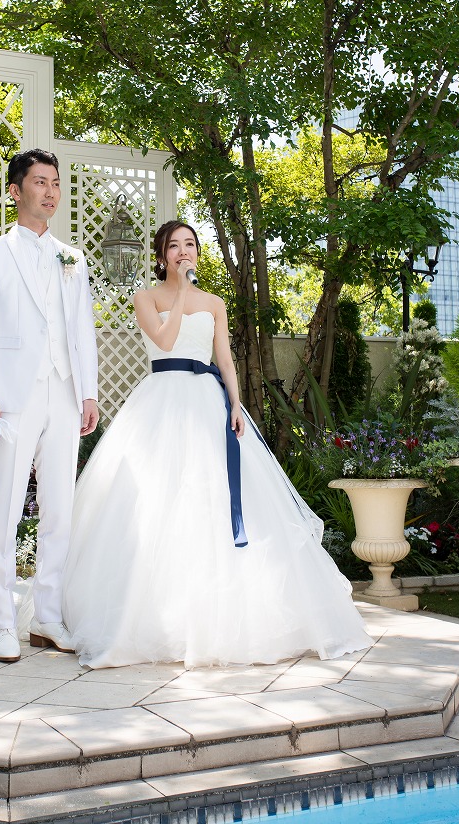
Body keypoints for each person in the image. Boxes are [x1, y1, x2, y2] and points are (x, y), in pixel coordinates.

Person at [60, 220, 372, 668]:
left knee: (212, 498)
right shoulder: (146, 297)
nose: (183, 252)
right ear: (162, 255)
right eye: (174, 246)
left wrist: (236, 404)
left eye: (189, 244)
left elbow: (224, 358)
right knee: (158, 499)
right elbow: (165, 339)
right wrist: (182, 294)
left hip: (208, 401)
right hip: (161, 401)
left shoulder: (215, 303)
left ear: (197, 252)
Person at [0, 149, 98, 663]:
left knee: (59, 509)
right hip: (12, 398)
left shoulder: (72, 258)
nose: (50, 191)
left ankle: (46, 617)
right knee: (4, 508)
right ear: (16, 191)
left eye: (55, 183)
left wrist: (88, 392)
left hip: (63, 392)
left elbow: (81, 330)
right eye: (40, 182)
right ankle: (3, 623)